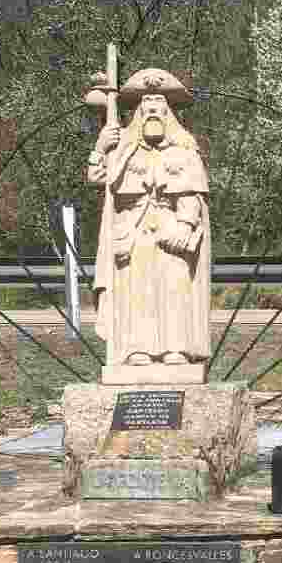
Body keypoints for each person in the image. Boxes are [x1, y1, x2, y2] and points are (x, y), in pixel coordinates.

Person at [88, 69, 210, 368]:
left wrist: (185, 224)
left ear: (168, 115)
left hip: (172, 232)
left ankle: (176, 349)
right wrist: (101, 147)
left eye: (159, 110)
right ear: (138, 116)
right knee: (137, 292)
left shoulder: (184, 149)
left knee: (174, 288)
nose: (152, 114)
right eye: (146, 110)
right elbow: (97, 179)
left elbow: (193, 193)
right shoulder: (123, 151)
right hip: (132, 233)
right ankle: (138, 349)